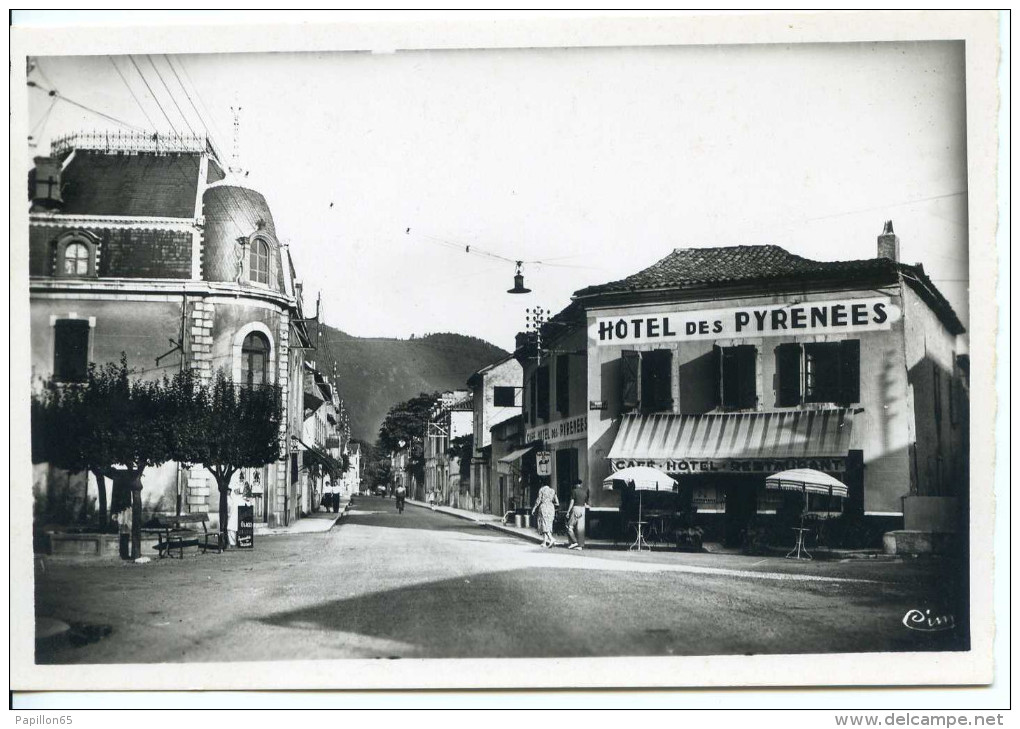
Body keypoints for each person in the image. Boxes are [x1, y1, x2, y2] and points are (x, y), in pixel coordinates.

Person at [531, 482, 559, 548]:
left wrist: (534, 508)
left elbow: (538, 500)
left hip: (544, 507)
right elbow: (557, 503)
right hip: (551, 508)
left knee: (543, 523)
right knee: (548, 524)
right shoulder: (553, 491)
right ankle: (544, 542)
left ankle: (551, 539)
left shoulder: (541, 490)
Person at [565, 478, 590, 550]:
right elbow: (585, 503)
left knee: (569, 526)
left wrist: (568, 511)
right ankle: (580, 545)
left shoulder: (574, 491)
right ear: (580, 484)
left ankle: (574, 542)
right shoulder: (584, 492)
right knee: (580, 528)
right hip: (582, 510)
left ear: (575, 484)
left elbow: (572, 502)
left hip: (576, 508)